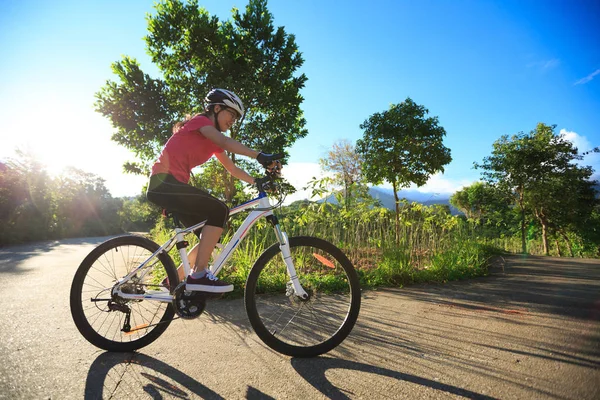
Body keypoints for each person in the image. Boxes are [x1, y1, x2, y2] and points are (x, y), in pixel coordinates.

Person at [146, 88, 281, 294]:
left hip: (173, 186)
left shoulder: (212, 140)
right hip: (163, 183)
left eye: (236, 117)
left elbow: (232, 168)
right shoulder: (201, 123)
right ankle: (199, 275)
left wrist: (257, 181)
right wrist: (259, 155)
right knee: (219, 210)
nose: (233, 120)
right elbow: (225, 141)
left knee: (209, 239)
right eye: (232, 114)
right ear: (216, 108)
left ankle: (172, 282)